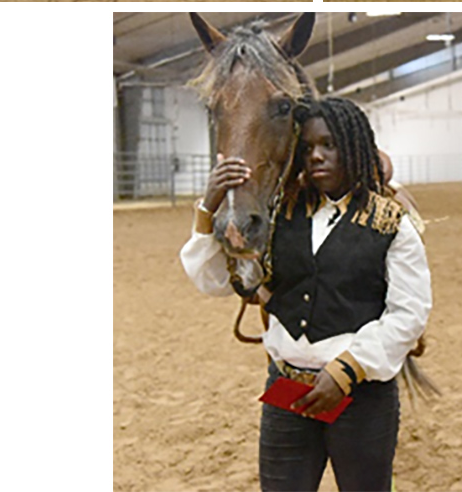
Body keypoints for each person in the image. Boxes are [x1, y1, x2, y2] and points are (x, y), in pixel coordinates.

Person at [181, 96, 432, 492]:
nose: (317, 156)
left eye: (329, 145)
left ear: (354, 147)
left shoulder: (392, 223)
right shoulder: (281, 215)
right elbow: (215, 280)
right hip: (287, 394)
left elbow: (409, 313)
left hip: (361, 398)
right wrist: (208, 208)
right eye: (309, 147)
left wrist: (347, 369)